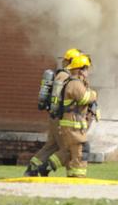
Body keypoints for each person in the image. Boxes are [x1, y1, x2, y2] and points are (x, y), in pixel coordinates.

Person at [24, 47, 82, 176]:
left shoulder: (60, 75)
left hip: (54, 117)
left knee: (51, 146)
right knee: (67, 149)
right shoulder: (66, 77)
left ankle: (32, 168)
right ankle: (46, 168)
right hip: (61, 119)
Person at [52, 54, 98, 178]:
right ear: (79, 69)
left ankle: (48, 164)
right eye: (86, 69)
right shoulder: (75, 84)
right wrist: (94, 94)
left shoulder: (74, 82)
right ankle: (78, 177)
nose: (87, 72)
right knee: (81, 150)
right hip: (73, 126)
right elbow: (85, 98)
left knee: (69, 152)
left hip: (71, 125)